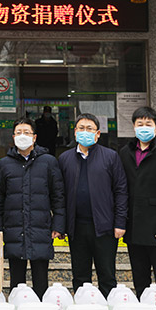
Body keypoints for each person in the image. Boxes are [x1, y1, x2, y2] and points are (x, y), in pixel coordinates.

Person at [0, 118, 65, 298]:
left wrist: (58, 224)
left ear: (35, 137)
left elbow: (58, 196)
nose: (22, 136)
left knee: (41, 281)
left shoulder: (48, 162)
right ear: (13, 137)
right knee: (17, 283)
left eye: (26, 132)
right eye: (18, 132)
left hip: (41, 228)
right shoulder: (5, 164)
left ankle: (41, 309)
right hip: (14, 230)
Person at [58, 113, 128, 298]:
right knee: (80, 276)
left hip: (104, 227)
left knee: (107, 275)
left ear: (97, 134)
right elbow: (60, 195)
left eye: (89, 129)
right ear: (75, 132)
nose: (85, 132)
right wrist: (61, 225)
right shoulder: (65, 159)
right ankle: (82, 308)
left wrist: (120, 222)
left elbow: (121, 191)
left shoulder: (110, 157)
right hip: (77, 227)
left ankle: (109, 307)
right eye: (81, 128)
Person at [119, 106, 156, 298]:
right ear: (133, 127)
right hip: (134, 224)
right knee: (139, 275)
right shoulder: (125, 152)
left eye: (148, 124)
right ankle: (141, 307)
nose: (144, 128)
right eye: (140, 124)